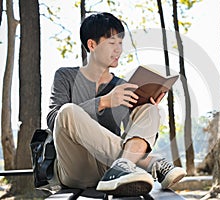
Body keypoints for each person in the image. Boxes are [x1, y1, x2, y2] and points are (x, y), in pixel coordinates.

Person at [47, 12, 186, 197]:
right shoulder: (65, 76)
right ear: (92, 45)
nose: (118, 50)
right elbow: (53, 120)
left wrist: (147, 105)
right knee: (67, 112)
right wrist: (104, 102)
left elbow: (135, 137)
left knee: (150, 109)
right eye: (112, 43)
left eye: (120, 43)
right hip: (76, 168)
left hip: (110, 169)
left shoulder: (122, 86)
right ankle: (149, 163)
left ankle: (124, 166)